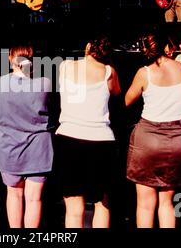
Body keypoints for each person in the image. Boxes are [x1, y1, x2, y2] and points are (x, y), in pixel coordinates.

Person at [125, 33, 181, 228]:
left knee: (145, 205)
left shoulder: (145, 72)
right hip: (177, 139)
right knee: (167, 203)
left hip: (148, 138)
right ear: (168, 47)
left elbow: (127, 100)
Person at [54, 36, 121, 228]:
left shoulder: (65, 66)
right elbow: (117, 92)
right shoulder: (109, 72)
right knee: (102, 204)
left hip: (69, 139)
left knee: (74, 209)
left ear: (87, 47)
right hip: (101, 141)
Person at [0, 43, 53, 228]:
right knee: (34, 200)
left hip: (8, 148)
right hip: (38, 149)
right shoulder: (45, 83)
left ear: (11, 59)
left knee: (14, 195)